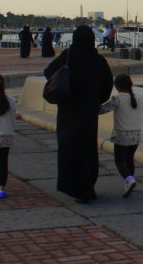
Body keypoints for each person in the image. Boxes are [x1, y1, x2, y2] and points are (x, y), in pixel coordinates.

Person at [44, 25, 113, 203]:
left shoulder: (68, 56)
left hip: (68, 110)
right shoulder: (98, 60)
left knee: (70, 150)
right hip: (88, 112)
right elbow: (107, 87)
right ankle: (88, 185)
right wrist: (94, 99)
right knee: (88, 150)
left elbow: (48, 72)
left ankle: (76, 188)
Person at [99, 74, 143, 197]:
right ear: (130, 84)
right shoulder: (141, 97)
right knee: (130, 159)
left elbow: (101, 110)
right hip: (137, 134)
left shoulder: (117, 99)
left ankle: (129, 180)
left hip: (122, 135)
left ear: (117, 86)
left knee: (120, 161)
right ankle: (131, 180)